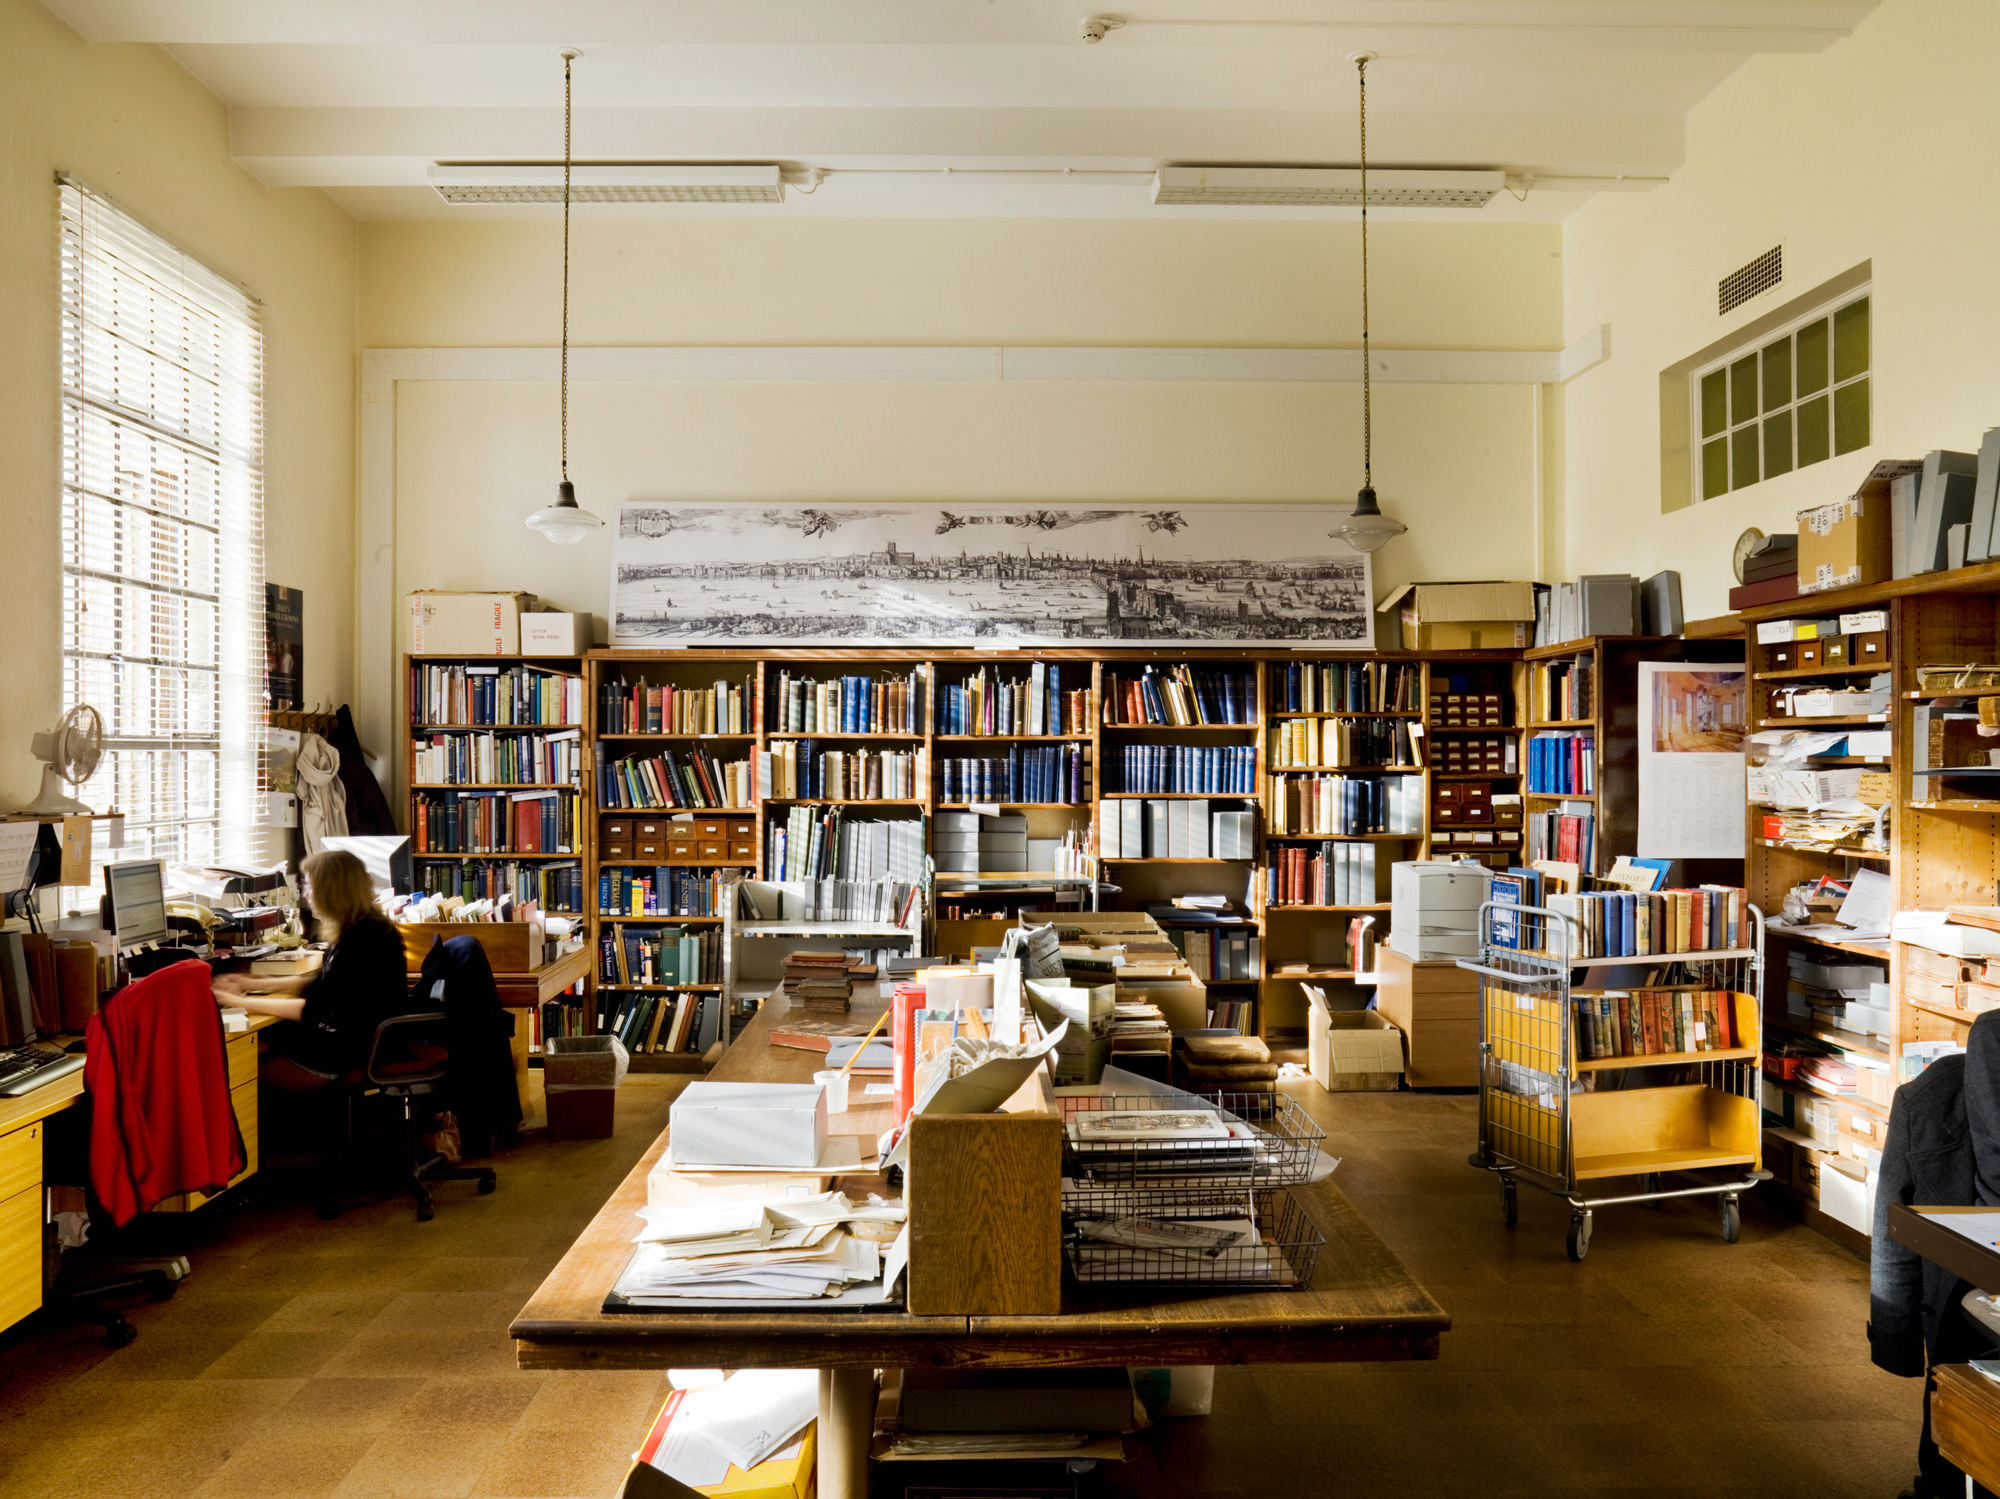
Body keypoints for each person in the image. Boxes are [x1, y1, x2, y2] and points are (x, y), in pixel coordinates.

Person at [1871, 1009, 2000, 1499]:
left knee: (1955, 1437)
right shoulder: (1931, 1098)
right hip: (1968, 1282)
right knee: (1955, 1431)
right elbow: (1895, 1223)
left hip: (1968, 1282)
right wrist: (1894, 1338)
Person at [212, 848, 407, 1091]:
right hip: (353, 1035)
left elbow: (312, 1010)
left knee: (240, 1075)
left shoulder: (363, 941)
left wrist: (235, 1000)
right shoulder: (361, 926)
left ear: (332, 891)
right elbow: (322, 985)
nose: (304, 894)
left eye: (310, 886)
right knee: (258, 1044)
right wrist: (250, 983)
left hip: (351, 1048)